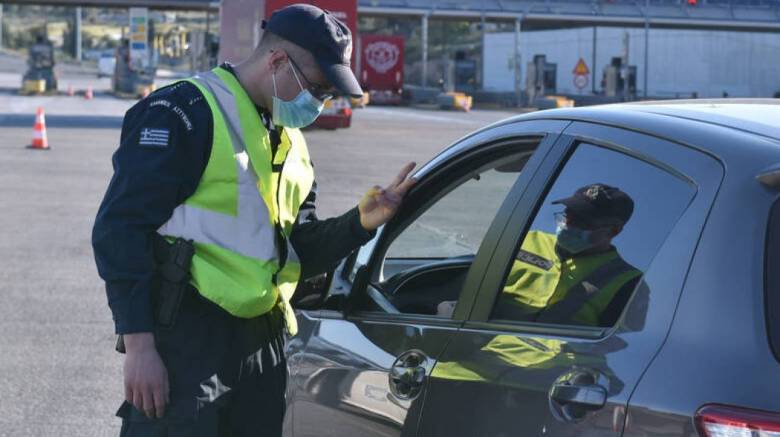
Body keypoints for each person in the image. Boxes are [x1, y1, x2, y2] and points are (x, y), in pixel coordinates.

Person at [92, 4, 416, 436]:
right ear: (278, 61)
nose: (319, 103)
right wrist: (139, 345)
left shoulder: (289, 141)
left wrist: (359, 223)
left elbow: (296, 247)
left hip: (261, 342)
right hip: (189, 339)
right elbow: (119, 230)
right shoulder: (185, 112)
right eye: (317, 88)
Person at [438, 183, 641, 327]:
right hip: (475, 357)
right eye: (568, 215)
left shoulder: (626, 282)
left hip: (550, 378)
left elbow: (616, 349)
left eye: (582, 222)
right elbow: (470, 291)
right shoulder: (521, 241)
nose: (568, 225)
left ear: (613, 231)